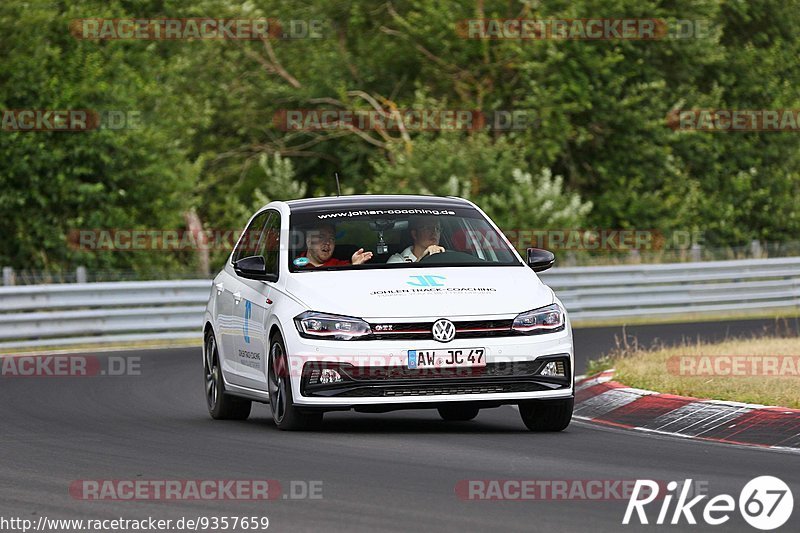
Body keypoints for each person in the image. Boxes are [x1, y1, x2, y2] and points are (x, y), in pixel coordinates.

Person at [298, 223, 372, 267]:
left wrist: (355, 265)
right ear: (309, 241)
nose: (327, 242)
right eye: (321, 237)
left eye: (331, 238)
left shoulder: (341, 266)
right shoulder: (290, 265)